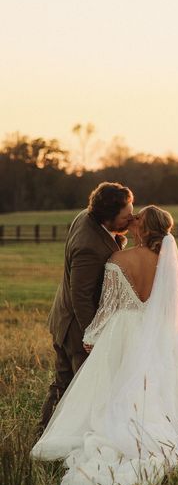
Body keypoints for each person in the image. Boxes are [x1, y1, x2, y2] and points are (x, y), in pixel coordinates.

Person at [31, 206, 178, 485]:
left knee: (111, 387)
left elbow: (107, 308)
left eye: (137, 218)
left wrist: (90, 337)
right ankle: (146, 432)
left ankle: (108, 433)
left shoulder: (118, 261)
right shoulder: (165, 264)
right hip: (152, 335)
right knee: (145, 389)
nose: (131, 219)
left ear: (144, 228)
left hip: (121, 332)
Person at [39, 182, 134, 432]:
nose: (131, 219)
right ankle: (55, 435)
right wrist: (93, 337)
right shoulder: (89, 247)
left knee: (64, 383)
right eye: (126, 216)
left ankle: (46, 433)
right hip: (75, 329)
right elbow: (80, 296)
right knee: (79, 387)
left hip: (64, 317)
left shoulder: (86, 216)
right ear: (108, 216)